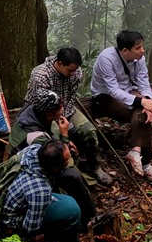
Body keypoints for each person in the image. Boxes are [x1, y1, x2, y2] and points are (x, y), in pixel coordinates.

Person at [8, 90, 95, 227]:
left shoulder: (34, 110)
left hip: (34, 155)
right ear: (49, 114)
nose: (61, 115)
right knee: (73, 174)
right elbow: (62, 161)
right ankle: (88, 218)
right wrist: (65, 137)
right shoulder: (35, 137)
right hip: (26, 170)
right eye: (59, 113)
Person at [91, 30, 152, 184]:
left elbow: (144, 82)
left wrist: (148, 102)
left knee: (143, 114)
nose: (142, 51)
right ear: (125, 50)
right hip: (105, 96)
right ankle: (146, 164)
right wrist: (141, 103)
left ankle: (136, 152)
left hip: (128, 92)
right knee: (139, 113)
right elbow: (112, 90)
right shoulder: (107, 58)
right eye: (138, 48)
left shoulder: (140, 59)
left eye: (142, 47)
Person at [24, 47, 108, 184]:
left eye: (75, 70)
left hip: (64, 109)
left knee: (89, 131)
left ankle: (95, 166)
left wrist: (64, 114)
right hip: (45, 113)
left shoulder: (76, 72)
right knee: (57, 141)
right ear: (60, 63)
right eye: (70, 70)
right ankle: (67, 172)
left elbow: (71, 97)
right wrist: (59, 123)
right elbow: (39, 105)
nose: (73, 73)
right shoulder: (41, 76)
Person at [0, 140, 81, 242]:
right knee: (72, 210)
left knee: (67, 202)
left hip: (18, 197)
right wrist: (35, 236)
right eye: (67, 159)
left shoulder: (34, 150)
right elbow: (30, 228)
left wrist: (65, 141)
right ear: (56, 167)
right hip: (15, 222)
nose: (70, 158)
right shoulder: (40, 191)